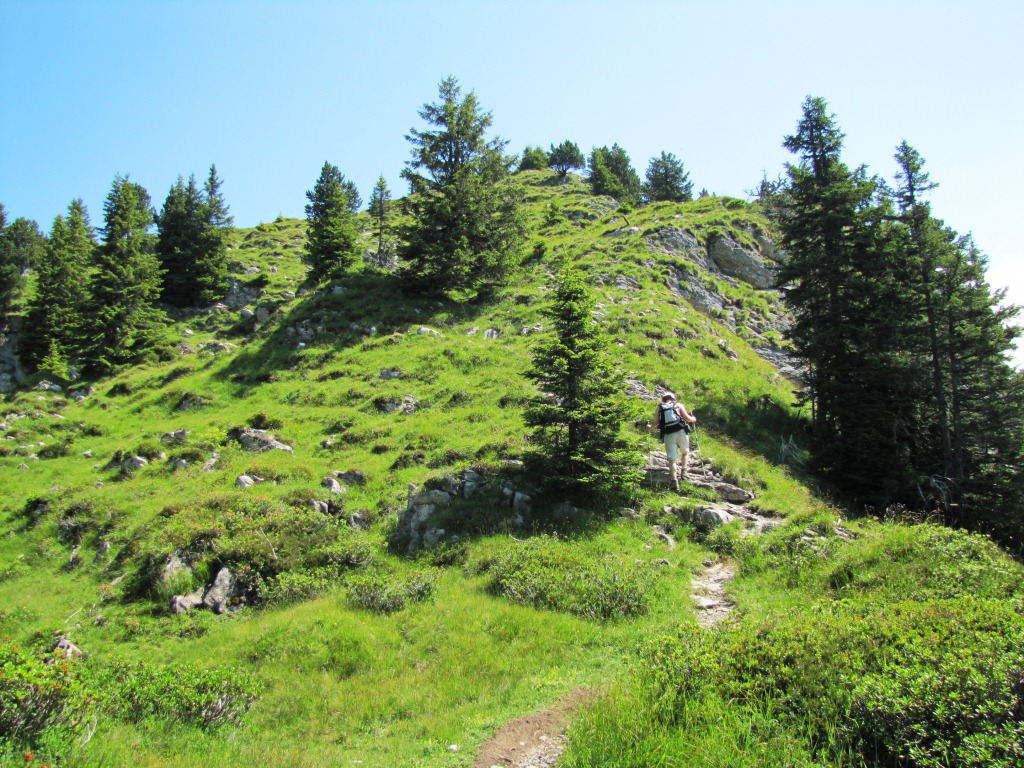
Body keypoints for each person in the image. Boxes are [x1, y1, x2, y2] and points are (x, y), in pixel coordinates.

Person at [647, 392, 697, 490]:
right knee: (685, 452)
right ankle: (684, 472)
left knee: (671, 459)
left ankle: (674, 482)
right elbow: (688, 418)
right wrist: (694, 419)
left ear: (663, 399)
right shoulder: (677, 405)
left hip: (668, 434)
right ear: (673, 398)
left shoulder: (660, 408)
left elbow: (657, 422)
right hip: (681, 432)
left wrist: (649, 427)